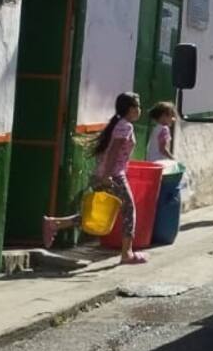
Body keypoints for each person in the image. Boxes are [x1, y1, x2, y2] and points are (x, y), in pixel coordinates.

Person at [41, 93, 147, 264]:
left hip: (102, 174)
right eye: (137, 106)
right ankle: (127, 253)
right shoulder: (125, 126)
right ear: (130, 109)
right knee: (128, 210)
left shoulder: (117, 124)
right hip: (113, 176)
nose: (139, 110)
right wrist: (107, 176)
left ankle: (55, 223)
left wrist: (102, 175)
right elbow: (113, 152)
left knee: (97, 213)